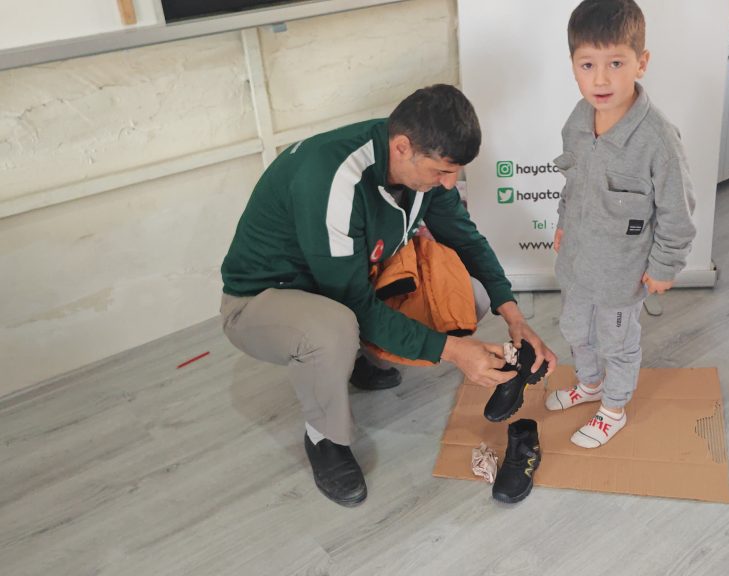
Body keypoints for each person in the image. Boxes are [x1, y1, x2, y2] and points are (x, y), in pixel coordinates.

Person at [219, 84, 557, 506]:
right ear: (401, 148)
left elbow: (466, 240)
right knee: (333, 330)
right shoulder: (334, 180)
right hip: (261, 300)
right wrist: (454, 351)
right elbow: (354, 304)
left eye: (456, 171)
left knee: (468, 294)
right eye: (442, 171)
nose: (449, 183)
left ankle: (354, 356)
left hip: (342, 282)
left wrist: (514, 317)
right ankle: (324, 438)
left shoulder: (419, 159)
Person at [545, 0, 696, 448]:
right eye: (587, 65)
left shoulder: (658, 140)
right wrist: (563, 222)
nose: (601, 79)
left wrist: (665, 266)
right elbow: (573, 181)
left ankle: (613, 407)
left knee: (616, 341)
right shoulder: (577, 120)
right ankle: (590, 385)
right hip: (577, 263)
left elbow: (677, 211)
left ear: (641, 63)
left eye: (615, 63)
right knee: (576, 330)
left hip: (622, 273)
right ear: (573, 66)